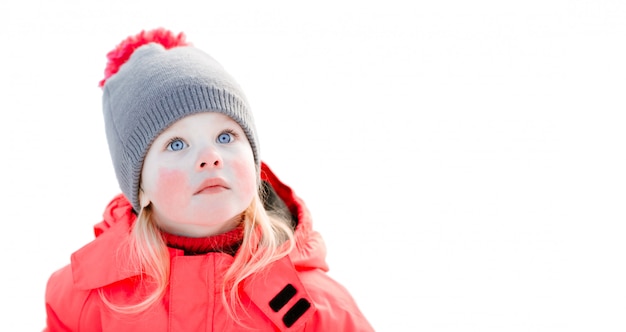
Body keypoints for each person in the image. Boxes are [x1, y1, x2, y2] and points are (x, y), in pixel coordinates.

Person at [44, 28, 374, 331]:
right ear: (140, 188)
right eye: (176, 144)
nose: (210, 156)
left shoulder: (313, 308)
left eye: (226, 136)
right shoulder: (87, 299)